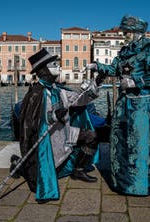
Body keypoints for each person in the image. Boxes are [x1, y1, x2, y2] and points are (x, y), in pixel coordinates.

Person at [86, 15, 150, 196]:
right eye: (123, 31)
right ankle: (125, 183)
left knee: (141, 144)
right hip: (125, 105)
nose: (124, 34)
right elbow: (114, 70)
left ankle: (142, 184)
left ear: (136, 32)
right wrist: (97, 66)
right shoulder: (124, 51)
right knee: (123, 143)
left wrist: (135, 82)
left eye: (126, 32)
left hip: (143, 105)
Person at [14, 48, 100, 202]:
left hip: (65, 134)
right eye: (54, 64)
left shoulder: (58, 90)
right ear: (44, 69)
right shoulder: (35, 94)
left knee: (91, 136)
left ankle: (78, 170)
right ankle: (18, 163)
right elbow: (31, 124)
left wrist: (95, 84)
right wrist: (53, 116)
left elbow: (77, 99)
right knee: (38, 173)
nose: (58, 67)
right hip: (48, 142)